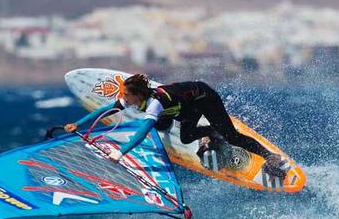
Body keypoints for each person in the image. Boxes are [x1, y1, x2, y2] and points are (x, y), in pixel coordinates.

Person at [64, 74, 289, 179]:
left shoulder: (155, 103)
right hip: (184, 107)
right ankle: (210, 132)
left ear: (138, 95)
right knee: (186, 137)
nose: (123, 98)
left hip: (204, 98)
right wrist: (79, 124)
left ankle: (271, 157)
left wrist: (121, 153)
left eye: (127, 94)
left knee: (231, 136)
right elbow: (107, 110)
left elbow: (142, 133)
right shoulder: (137, 99)